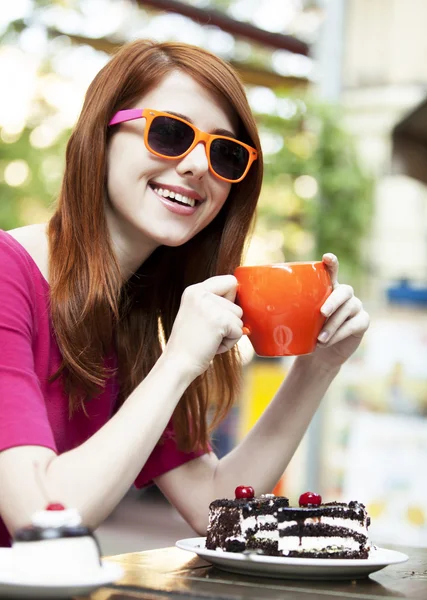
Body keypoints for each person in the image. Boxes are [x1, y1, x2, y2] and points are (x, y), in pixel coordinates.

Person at [0, 39, 369, 547]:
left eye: (224, 152)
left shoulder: (132, 318)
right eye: (170, 133)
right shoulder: (6, 276)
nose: (198, 165)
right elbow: (41, 515)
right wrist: (176, 363)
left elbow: (215, 503)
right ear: (100, 135)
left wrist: (319, 364)